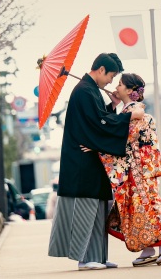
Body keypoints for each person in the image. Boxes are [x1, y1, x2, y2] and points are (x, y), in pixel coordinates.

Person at [48, 53, 146, 271]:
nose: (112, 81)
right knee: (86, 209)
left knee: (98, 209)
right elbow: (98, 124)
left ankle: (98, 257)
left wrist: (112, 106)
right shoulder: (84, 91)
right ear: (101, 70)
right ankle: (84, 258)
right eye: (111, 76)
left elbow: (100, 119)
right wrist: (128, 116)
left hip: (90, 160)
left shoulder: (89, 91)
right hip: (82, 161)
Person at [97, 72, 161, 267]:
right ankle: (149, 249)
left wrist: (96, 147)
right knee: (139, 208)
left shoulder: (134, 112)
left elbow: (119, 139)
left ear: (128, 90)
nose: (116, 87)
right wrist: (115, 106)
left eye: (120, 84)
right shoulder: (131, 110)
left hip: (137, 169)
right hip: (140, 168)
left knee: (148, 205)